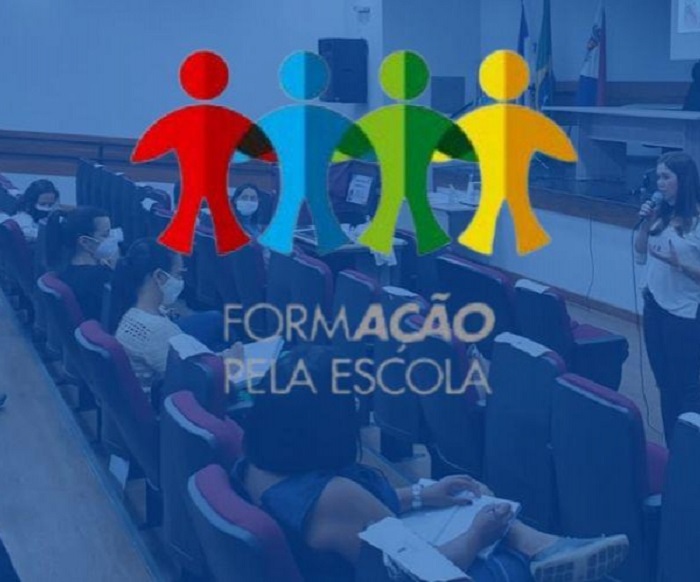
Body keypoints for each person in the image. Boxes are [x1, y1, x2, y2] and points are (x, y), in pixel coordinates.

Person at [231, 346, 629, 582]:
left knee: (474, 502)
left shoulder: (257, 464)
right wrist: (476, 535)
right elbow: (425, 572)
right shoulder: (335, 496)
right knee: (494, 531)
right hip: (423, 570)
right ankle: (539, 551)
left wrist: (422, 495)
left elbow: (350, 524)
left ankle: (545, 546)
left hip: (364, 562)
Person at [112, 238, 240, 394]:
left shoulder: (134, 311)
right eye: (178, 275)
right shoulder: (155, 330)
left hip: (165, 389)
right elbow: (199, 384)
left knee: (217, 338)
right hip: (172, 399)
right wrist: (232, 365)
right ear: (159, 277)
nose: (181, 281)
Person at [635, 151, 700, 444]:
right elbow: (640, 250)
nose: (659, 183)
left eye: (666, 177)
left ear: (683, 180)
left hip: (684, 313)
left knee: (685, 384)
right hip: (654, 306)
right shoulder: (660, 214)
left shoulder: (696, 222)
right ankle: (673, 443)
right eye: (658, 176)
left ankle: (689, 445)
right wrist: (645, 223)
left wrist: (681, 265)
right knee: (663, 381)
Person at [45, 207, 118, 322]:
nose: (112, 239)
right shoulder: (100, 277)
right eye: (105, 235)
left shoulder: (66, 266)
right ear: (84, 242)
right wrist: (114, 270)